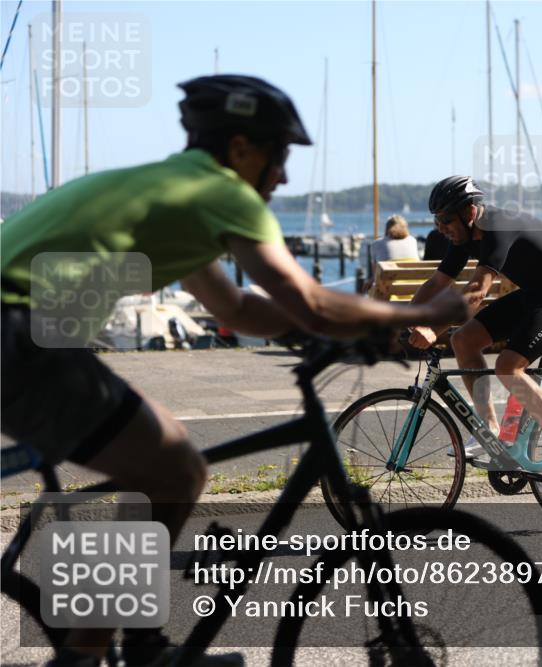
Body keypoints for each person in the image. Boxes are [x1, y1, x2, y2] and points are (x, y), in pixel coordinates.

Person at [0, 75, 466, 667]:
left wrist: (322, 332)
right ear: (241, 148)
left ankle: (133, 644)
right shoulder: (223, 193)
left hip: (27, 333)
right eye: (280, 156)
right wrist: (422, 313)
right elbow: (311, 300)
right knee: (174, 469)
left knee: (160, 464)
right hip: (20, 334)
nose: (284, 177)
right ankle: (93, 657)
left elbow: (237, 309)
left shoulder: (172, 190)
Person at [407, 176, 542, 493]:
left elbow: (476, 293)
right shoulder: (462, 238)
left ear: (469, 212)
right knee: (463, 340)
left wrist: (433, 329)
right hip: (534, 294)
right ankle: (489, 428)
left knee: (508, 367)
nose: (441, 227)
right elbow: (437, 282)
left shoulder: (497, 227)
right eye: (436, 221)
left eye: (446, 219)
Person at [364, 214, 419, 292]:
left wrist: (369, 281)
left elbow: (375, 276)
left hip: (389, 294)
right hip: (413, 293)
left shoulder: (376, 244)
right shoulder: (412, 241)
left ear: (386, 229)